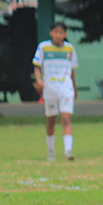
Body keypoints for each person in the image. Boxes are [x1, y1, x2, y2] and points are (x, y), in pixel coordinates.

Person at [33, 22, 78, 160]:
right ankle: (51, 151)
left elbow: (72, 71)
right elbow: (37, 66)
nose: (58, 35)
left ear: (65, 34)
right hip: (50, 89)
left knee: (66, 118)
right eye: (56, 32)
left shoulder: (70, 49)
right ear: (51, 33)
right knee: (51, 119)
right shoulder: (43, 47)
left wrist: (75, 88)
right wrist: (39, 80)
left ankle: (68, 151)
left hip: (66, 88)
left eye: (61, 32)